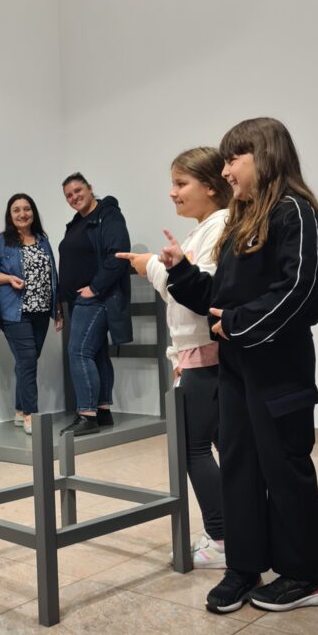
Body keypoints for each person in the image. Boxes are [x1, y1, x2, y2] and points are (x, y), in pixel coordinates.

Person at [160, 116, 318, 613]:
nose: (225, 170)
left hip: (280, 369)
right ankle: (244, 565)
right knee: (240, 466)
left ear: (265, 155)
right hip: (237, 368)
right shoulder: (243, 222)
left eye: (233, 158)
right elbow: (220, 297)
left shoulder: (296, 213)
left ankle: (306, 576)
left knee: (284, 467)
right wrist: (182, 272)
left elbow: (301, 294)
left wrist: (236, 323)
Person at [116, 147, 231, 568]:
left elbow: (200, 291)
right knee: (217, 446)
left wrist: (150, 266)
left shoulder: (220, 228)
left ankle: (222, 537)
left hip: (206, 354)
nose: (173, 192)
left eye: (181, 183)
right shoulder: (206, 229)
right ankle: (239, 529)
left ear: (211, 186)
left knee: (191, 448)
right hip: (197, 353)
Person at [0, 193, 61, 435]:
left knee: (27, 362)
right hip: (15, 313)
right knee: (27, 361)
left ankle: (18, 410)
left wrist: (57, 309)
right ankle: (30, 415)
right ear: (10, 215)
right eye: (16, 210)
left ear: (33, 212)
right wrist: (8, 278)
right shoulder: (1, 242)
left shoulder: (42, 240)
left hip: (41, 311)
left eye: (27, 209)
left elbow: (53, 276)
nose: (22, 214)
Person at [58, 173, 132, 437]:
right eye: (69, 195)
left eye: (78, 190)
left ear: (90, 188)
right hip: (78, 300)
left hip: (98, 298)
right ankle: (102, 411)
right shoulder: (77, 223)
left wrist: (94, 288)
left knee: (79, 351)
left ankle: (87, 415)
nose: (74, 197)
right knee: (96, 353)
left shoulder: (108, 215)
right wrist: (60, 301)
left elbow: (118, 255)